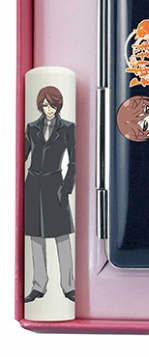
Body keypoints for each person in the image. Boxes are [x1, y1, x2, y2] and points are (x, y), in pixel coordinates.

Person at [24, 86, 75, 303]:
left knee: (62, 237)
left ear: (59, 105)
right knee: (36, 237)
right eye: (45, 105)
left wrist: (66, 188)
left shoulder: (68, 128)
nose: (49, 109)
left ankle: (68, 286)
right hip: (33, 184)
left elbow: (74, 162)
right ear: (40, 106)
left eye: (53, 105)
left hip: (55, 185)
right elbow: (21, 155)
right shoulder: (31, 127)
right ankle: (39, 285)